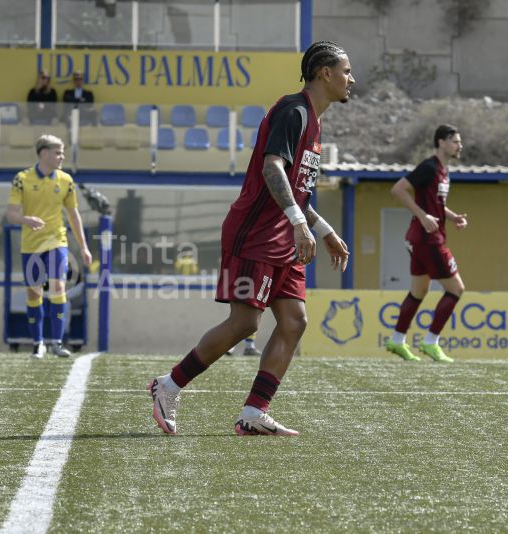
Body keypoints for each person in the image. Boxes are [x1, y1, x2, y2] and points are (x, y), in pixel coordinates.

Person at [148, 41, 354, 437]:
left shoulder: (315, 122)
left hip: (285, 236)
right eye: (346, 70)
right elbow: (271, 167)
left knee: (294, 321)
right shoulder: (293, 111)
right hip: (256, 232)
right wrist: (298, 223)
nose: (351, 78)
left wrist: (323, 230)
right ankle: (168, 385)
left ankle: (254, 412)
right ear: (324, 73)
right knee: (245, 323)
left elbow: (299, 191)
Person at [384, 125, 467, 363]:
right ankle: (431, 342)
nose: (459, 146)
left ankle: (396, 340)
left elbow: (436, 205)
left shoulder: (443, 171)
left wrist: (453, 218)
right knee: (456, 289)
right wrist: (422, 216)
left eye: (460, 142)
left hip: (420, 239)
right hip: (428, 240)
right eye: (455, 141)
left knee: (419, 291)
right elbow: (398, 190)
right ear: (441, 142)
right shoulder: (429, 167)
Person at [6, 134, 92, 359]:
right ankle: (38, 343)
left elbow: (74, 215)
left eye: (62, 152)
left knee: (58, 288)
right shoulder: (21, 179)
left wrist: (83, 247)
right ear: (44, 153)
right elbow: (11, 214)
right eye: (58, 152)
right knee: (34, 294)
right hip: (31, 246)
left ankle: (56, 342)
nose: (62, 156)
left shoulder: (66, 180)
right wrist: (27, 220)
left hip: (57, 242)